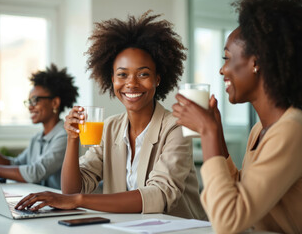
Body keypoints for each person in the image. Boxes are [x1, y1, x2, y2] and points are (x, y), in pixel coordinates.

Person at [15, 11, 207, 220]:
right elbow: (72, 189)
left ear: (157, 79)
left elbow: (159, 195)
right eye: (122, 75)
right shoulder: (110, 128)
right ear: (112, 80)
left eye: (143, 74)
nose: (131, 83)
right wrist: (72, 138)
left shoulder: (176, 127)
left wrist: (79, 200)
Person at [172, 0, 302, 233]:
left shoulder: (292, 129)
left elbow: (228, 221)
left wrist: (207, 132)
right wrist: (217, 133)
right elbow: (238, 194)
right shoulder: (260, 130)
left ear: (256, 62)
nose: (222, 69)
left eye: (228, 58)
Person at [0, 64, 79, 189]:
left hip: (61, 203)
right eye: (29, 102)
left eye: (35, 100)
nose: (30, 106)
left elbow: (37, 172)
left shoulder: (65, 135)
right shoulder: (37, 138)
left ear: (55, 103)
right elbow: (16, 164)